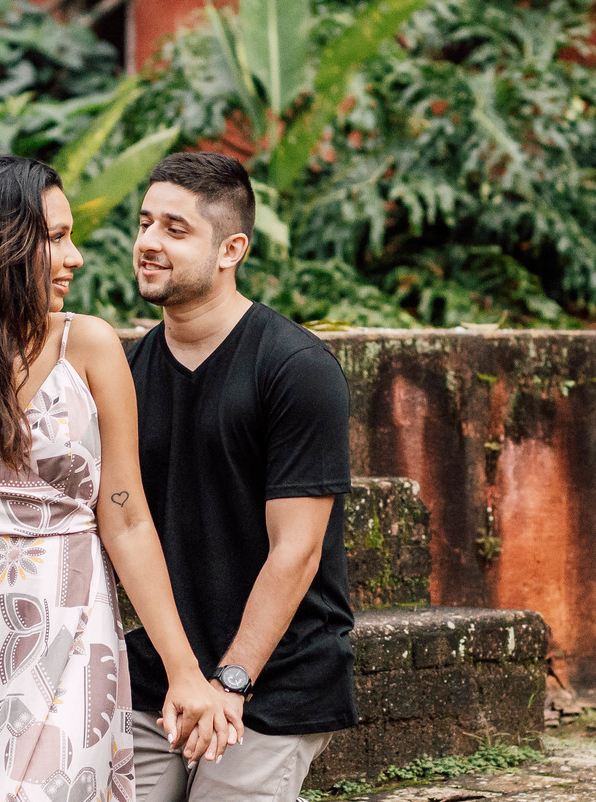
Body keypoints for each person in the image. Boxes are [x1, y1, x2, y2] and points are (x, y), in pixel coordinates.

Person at [0, 155, 237, 802]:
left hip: (69, 641)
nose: (77, 257)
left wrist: (185, 672)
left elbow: (126, 518)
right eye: (55, 238)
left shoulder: (87, 347)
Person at [124, 152, 357, 802]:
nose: (147, 243)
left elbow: (297, 549)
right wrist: (182, 671)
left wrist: (231, 680)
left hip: (276, 671)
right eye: (145, 223)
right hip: (162, 670)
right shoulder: (127, 372)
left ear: (231, 249)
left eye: (175, 229)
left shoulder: (294, 368)